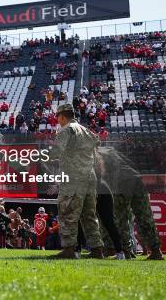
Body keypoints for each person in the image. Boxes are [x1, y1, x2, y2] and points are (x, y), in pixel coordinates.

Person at [50, 103, 104, 259]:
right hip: (90, 177)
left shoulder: (66, 130)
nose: (58, 121)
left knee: (67, 211)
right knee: (89, 214)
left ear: (62, 116)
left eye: (58, 118)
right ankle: (97, 249)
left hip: (73, 177)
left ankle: (69, 249)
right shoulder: (87, 131)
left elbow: (55, 152)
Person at [97, 147, 164, 260]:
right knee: (145, 216)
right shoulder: (109, 150)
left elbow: (101, 171)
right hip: (135, 177)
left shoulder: (96, 153)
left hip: (120, 181)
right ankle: (156, 250)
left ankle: (125, 251)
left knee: (119, 217)